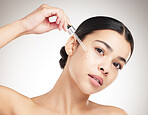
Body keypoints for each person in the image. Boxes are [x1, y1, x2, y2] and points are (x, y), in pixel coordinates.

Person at [0, 4, 134, 115]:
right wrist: (23, 26)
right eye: (100, 50)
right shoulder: (18, 108)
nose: (106, 68)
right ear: (72, 45)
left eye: (116, 64)